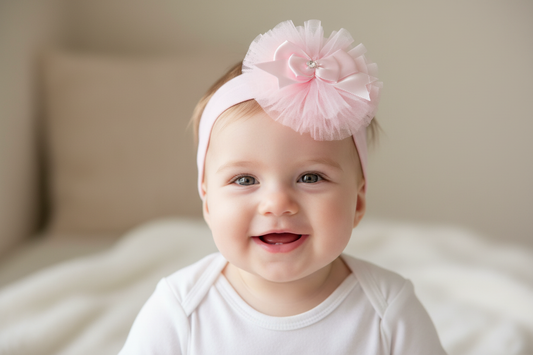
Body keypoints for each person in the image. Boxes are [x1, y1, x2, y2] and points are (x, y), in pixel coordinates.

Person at [119, 20, 446, 354]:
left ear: (358, 202)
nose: (277, 204)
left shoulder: (387, 310)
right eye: (245, 180)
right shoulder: (181, 310)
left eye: (310, 177)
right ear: (208, 203)